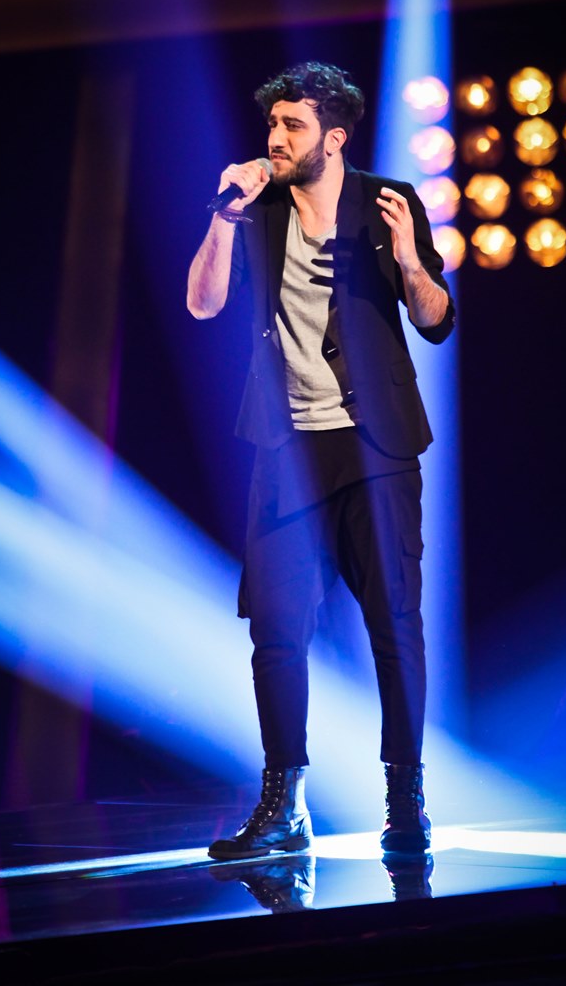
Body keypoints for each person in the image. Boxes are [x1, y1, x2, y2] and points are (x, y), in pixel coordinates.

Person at [187, 61, 455, 861]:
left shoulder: (386, 202)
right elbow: (202, 303)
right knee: (275, 633)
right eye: (272, 124)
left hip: (375, 447)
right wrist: (223, 216)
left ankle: (404, 801)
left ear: (332, 137)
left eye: (292, 126)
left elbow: (436, 320)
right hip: (286, 451)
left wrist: (409, 261)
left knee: (393, 627)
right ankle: (283, 807)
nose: (275, 138)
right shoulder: (256, 210)